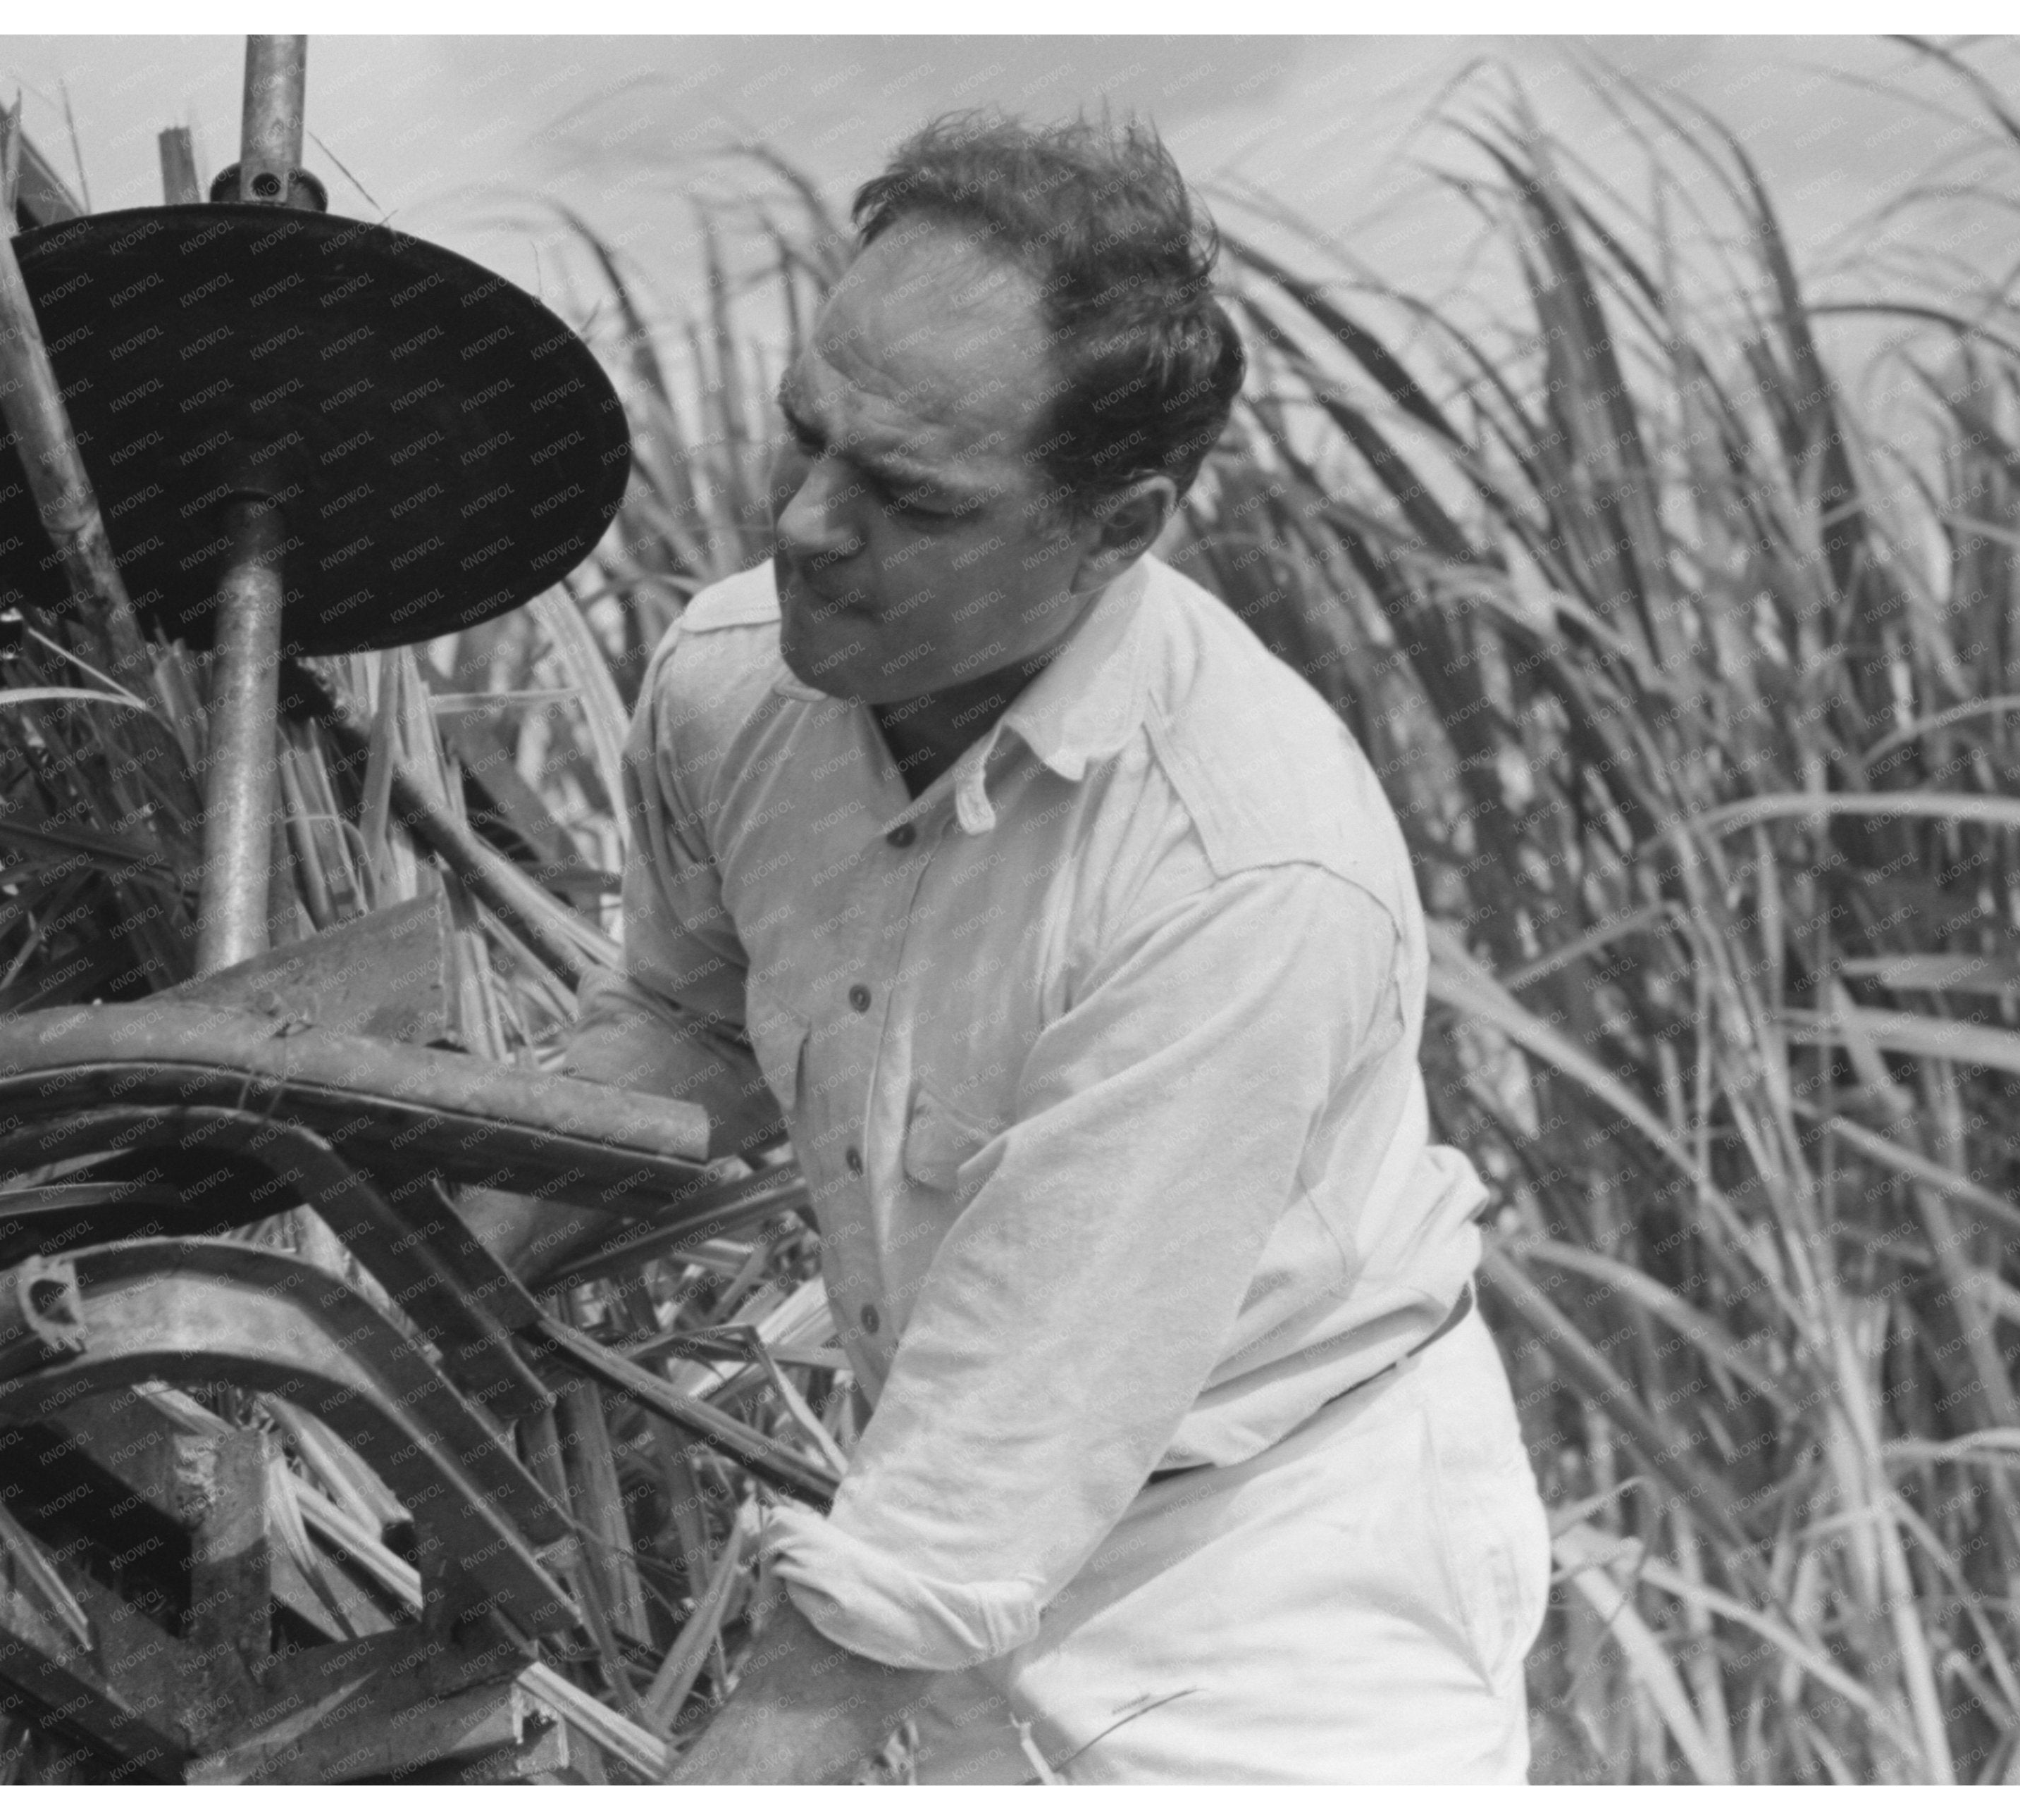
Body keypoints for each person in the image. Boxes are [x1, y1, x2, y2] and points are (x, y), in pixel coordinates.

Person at [562, 111, 1552, 1785]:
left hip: (1270, 1594)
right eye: (806, 434)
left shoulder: (1238, 870)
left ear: (1117, 525)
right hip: (961, 1552)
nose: (804, 524)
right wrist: (405, 1260)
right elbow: (690, 1013)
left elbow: (977, 1478)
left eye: (906, 496)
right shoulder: (737, 679)